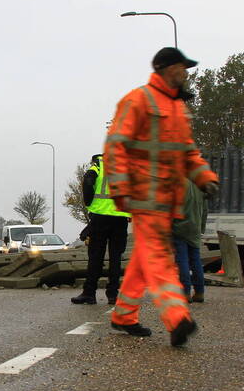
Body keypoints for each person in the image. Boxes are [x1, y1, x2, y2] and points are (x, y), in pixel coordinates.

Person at [104, 47, 219, 346]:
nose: (186, 75)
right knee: (158, 257)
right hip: (144, 194)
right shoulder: (138, 99)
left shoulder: (178, 109)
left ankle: (124, 315)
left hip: (169, 199)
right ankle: (177, 318)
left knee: (145, 257)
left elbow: (188, 153)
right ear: (166, 69)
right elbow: (116, 145)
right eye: (182, 69)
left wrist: (205, 177)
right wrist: (119, 187)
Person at [71, 154, 131, 305]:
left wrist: (89, 203)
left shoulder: (99, 164)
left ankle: (89, 293)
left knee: (96, 256)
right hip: (120, 217)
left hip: (100, 217)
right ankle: (113, 295)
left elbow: (88, 180)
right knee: (116, 257)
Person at [173, 179, 208, 303]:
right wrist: (202, 227)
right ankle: (199, 292)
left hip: (179, 227)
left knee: (182, 260)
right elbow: (205, 209)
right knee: (196, 260)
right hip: (195, 228)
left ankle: (185, 292)